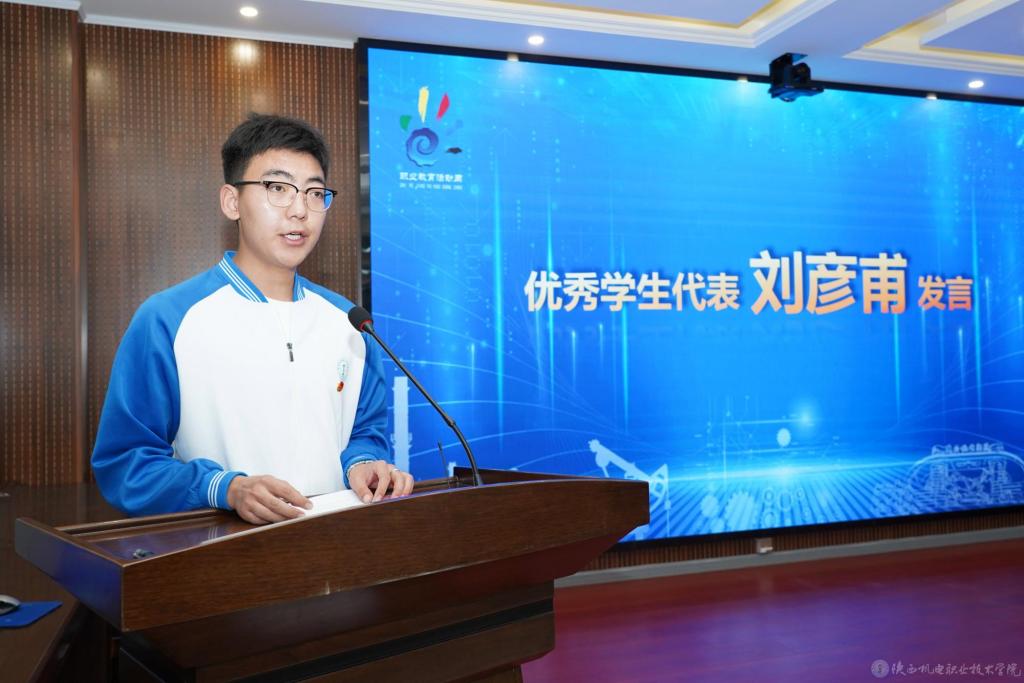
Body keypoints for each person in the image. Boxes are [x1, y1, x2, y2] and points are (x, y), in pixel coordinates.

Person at [91, 113, 413, 525]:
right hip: (222, 551)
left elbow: (365, 432)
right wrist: (225, 488)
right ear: (232, 202)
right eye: (278, 188)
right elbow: (125, 463)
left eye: (315, 193)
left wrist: (364, 463)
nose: (300, 210)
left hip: (336, 547)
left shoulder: (350, 323)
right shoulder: (168, 320)